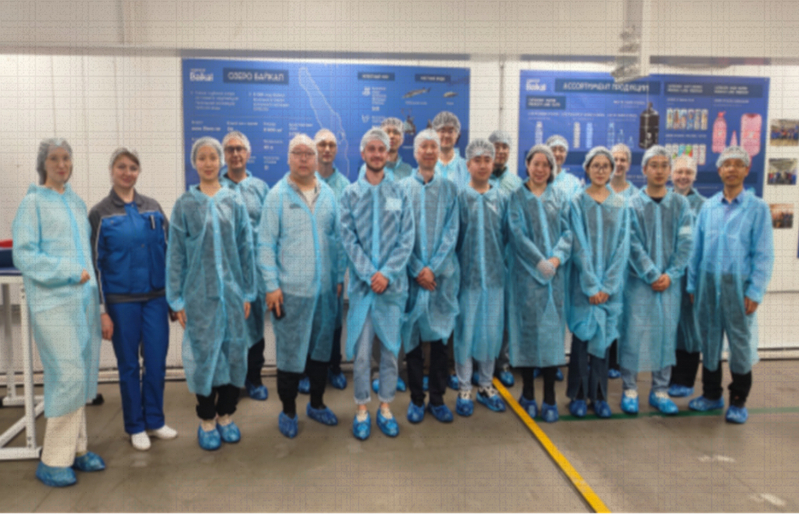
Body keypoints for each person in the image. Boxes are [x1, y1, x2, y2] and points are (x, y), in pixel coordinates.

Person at [13, 139, 105, 487]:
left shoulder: (76, 203)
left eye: (66, 158)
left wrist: (93, 294)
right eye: (54, 158)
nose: (61, 164)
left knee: (79, 377)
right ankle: (52, 460)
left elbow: (87, 254)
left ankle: (77, 450)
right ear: (43, 163)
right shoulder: (32, 203)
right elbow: (25, 255)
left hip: (82, 301)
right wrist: (67, 271)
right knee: (67, 374)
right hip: (52, 303)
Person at [167, 137, 257, 450]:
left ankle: (226, 415)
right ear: (195, 162)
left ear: (221, 162)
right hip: (198, 297)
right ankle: (206, 419)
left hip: (232, 295)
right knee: (203, 357)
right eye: (202, 157)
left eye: (213, 157)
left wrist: (248, 291)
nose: (208, 163)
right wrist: (176, 299)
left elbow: (245, 248)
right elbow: (175, 254)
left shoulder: (234, 201)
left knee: (234, 354)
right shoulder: (184, 204)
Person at [89, 148, 177, 451]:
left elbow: (171, 254)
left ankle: (155, 420)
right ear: (112, 170)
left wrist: (174, 299)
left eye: (133, 168)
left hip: (155, 298)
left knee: (156, 361)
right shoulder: (100, 213)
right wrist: (102, 310)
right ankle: (135, 426)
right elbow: (94, 265)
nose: (127, 173)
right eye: (122, 167)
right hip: (121, 301)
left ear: (139, 172)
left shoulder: (152, 207)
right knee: (128, 365)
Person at [258, 134, 343, 438]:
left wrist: (338, 277)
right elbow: (265, 244)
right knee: (290, 356)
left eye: (309, 153)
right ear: (289, 158)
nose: (304, 158)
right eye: (298, 153)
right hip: (290, 294)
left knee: (321, 353)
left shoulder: (328, 194)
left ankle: (317, 404)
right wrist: (271, 286)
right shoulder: (277, 196)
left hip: (324, 293)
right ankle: (289, 410)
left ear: (316, 159)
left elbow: (338, 239)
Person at [687, 146, 774, 424]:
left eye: (738, 164)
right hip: (707, 286)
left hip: (739, 289)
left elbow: (764, 254)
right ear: (720, 170)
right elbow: (696, 250)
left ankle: (738, 400)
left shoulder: (757, 208)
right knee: (709, 341)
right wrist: (692, 285)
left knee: (740, 343)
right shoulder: (708, 207)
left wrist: (755, 291)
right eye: (727, 164)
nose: (732, 169)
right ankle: (711, 395)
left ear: (746, 170)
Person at [340, 128, 415, 440]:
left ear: (388, 153)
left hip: (391, 290)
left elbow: (407, 238)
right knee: (361, 354)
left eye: (381, 149)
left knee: (390, 353)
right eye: (371, 149)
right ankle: (361, 408)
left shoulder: (399, 192)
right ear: (363, 153)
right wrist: (370, 273)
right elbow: (348, 238)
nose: (376, 154)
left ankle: (385, 406)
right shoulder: (350, 194)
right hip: (363, 290)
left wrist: (388, 274)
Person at [618, 146, 693, 415]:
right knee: (632, 334)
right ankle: (629, 389)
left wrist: (671, 274)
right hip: (638, 284)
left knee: (665, 335)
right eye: (654, 165)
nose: (659, 171)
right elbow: (631, 244)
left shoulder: (681, 205)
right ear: (644, 169)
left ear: (669, 170)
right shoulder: (631, 204)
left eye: (664, 166)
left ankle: (660, 390)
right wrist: (651, 273)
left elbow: (686, 243)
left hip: (669, 286)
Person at [507, 144, 572, 423]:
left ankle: (550, 398)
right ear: (527, 165)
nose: (541, 169)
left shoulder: (560, 196)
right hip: (526, 278)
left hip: (554, 279)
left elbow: (568, 232)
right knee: (528, 335)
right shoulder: (516, 197)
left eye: (546, 164)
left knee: (551, 338)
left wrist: (555, 259)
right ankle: (528, 395)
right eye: (536, 163)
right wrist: (538, 262)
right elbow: (517, 234)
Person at [400, 129, 459, 424]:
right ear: (415, 152)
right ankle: (416, 399)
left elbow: (452, 232)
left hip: (440, 279)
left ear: (439, 152)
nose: (428, 151)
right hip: (411, 279)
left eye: (433, 147)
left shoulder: (449, 189)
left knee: (439, 341)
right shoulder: (400, 188)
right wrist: (416, 269)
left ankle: (437, 398)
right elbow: (398, 234)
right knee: (412, 340)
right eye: (423, 146)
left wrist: (432, 268)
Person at [566, 146, 630, 419]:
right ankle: (579, 395)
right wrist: (592, 285)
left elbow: (623, 246)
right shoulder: (577, 201)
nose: (601, 170)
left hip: (610, 289)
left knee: (604, 340)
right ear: (587, 169)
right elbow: (578, 244)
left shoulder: (620, 204)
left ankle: (601, 396)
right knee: (582, 339)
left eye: (606, 166)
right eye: (596, 165)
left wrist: (608, 286)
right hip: (583, 285)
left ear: (612, 170)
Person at [453, 139, 509, 416]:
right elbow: (453, 239)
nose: (483, 165)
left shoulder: (502, 198)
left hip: (495, 280)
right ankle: (464, 387)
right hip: (467, 280)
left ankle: (486, 385)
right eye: (478, 160)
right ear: (468, 165)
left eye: (488, 159)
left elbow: (509, 237)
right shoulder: (460, 198)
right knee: (465, 333)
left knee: (490, 332)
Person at [219, 131, 271, 402]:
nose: (235, 154)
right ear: (224, 155)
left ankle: (254, 378)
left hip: (256, 271)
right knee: (229, 327)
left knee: (255, 325)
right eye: (230, 149)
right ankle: (230, 381)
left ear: (248, 154)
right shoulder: (214, 188)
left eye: (240, 149)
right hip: (226, 271)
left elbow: (271, 230)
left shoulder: (261, 188)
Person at [312, 128, 350, 390]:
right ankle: (307, 371)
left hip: (334, 267)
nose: (326, 149)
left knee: (334, 319)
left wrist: (338, 274)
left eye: (331, 145)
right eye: (322, 144)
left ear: (337, 150)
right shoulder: (303, 181)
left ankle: (334, 368)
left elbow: (344, 235)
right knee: (308, 320)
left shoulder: (344, 186)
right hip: (305, 267)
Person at [667, 156, 707, 398]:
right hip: (665, 277)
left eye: (688, 172)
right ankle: (666, 377)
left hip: (689, 278)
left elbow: (702, 246)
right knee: (667, 327)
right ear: (671, 174)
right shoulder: (663, 200)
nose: (683, 176)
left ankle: (684, 379)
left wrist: (694, 281)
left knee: (689, 329)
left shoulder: (703, 206)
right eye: (679, 171)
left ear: (695, 176)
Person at [606, 144, 639, 380]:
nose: (619, 163)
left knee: (625, 315)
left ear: (629, 163)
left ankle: (619, 362)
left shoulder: (636, 195)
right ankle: (602, 360)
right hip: (605, 263)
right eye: (615, 159)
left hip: (630, 267)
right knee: (605, 312)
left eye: (623, 159)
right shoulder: (599, 191)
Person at [357, 118, 413, 183]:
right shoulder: (367, 169)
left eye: (396, 132)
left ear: (402, 139)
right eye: (387, 132)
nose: (391, 136)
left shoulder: (408, 170)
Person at [432, 111, 469, 188]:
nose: (446, 135)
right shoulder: (426, 166)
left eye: (450, 131)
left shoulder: (467, 168)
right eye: (442, 131)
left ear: (457, 134)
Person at [547, 135, 584, 200]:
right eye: (553, 150)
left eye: (561, 150)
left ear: (566, 154)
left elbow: (578, 205)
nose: (557, 154)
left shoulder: (574, 183)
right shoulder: (538, 179)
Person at [488, 130, 523, 194]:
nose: (501, 151)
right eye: (496, 147)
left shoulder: (517, 183)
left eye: (504, 147)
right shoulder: (479, 181)